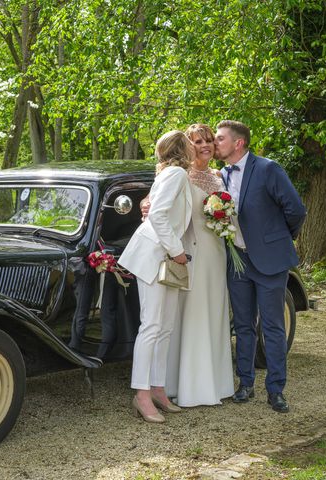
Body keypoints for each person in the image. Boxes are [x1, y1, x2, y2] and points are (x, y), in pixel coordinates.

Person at [214, 120, 306, 413]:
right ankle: (245, 384)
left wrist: (278, 238)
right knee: (242, 326)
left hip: (270, 261)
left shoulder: (268, 169)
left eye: (220, 139)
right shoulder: (220, 176)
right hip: (238, 261)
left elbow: (296, 210)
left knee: (273, 326)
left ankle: (276, 390)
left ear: (238, 143)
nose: (215, 144)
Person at [118, 130, 194, 423]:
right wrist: (177, 252)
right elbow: (158, 216)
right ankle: (141, 394)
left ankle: (158, 388)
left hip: (167, 257)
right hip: (155, 256)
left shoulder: (171, 174)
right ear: (182, 149)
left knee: (165, 326)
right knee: (151, 325)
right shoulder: (174, 174)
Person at [165, 124, 235, 407]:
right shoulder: (181, 176)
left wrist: (225, 218)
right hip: (191, 253)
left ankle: (216, 382)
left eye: (208, 140)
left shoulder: (219, 176)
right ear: (188, 145)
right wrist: (145, 203)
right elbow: (156, 200)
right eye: (198, 141)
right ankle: (189, 385)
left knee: (216, 311)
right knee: (193, 314)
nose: (205, 145)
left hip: (217, 252)